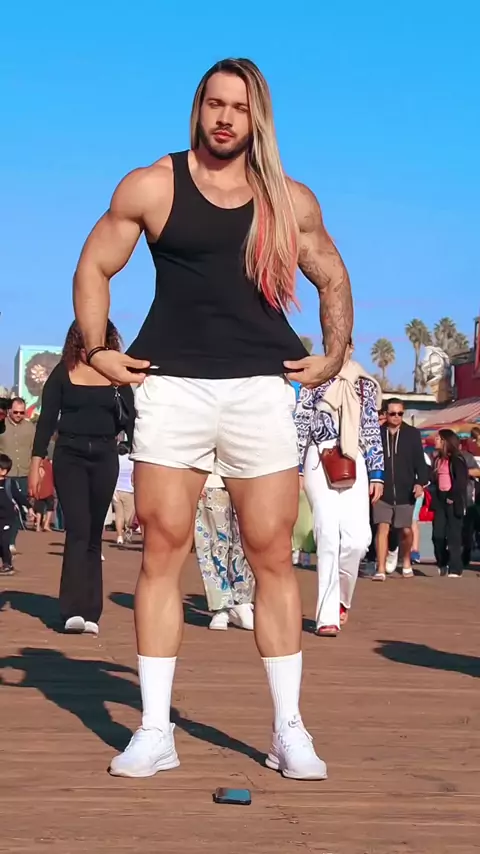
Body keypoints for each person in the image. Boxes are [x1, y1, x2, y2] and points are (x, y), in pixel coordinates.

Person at [73, 57, 353, 780]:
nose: (225, 118)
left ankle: (289, 731)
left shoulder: (287, 198)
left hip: (261, 386)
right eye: (214, 104)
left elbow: (330, 271)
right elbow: (95, 264)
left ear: (257, 117)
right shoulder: (153, 185)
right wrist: (98, 350)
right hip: (172, 386)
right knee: (162, 551)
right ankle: (154, 730)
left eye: (239, 107)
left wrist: (333, 353)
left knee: (272, 555)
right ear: (198, 108)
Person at [28, 320, 134, 635]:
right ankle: (72, 609)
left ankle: (91, 612)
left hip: (105, 456)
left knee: (93, 534)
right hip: (70, 455)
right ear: (78, 337)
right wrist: (37, 463)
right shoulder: (63, 372)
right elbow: (47, 420)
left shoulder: (116, 374)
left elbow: (132, 421)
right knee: (77, 528)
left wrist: (142, 462)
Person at [294, 340, 384, 635]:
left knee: (358, 539)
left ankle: (342, 599)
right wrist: (296, 467)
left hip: (354, 455)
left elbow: (371, 428)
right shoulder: (313, 378)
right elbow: (301, 422)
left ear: (351, 347)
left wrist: (377, 473)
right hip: (318, 455)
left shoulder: (364, 385)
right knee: (327, 533)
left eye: (342, 343)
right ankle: (327, 616)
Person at [372, 398, 430, 581]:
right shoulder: (377, 434)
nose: (396, 417)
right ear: (385, 414)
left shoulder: (412, 434)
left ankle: (406, 561)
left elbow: (420, 461)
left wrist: (420, 482)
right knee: (382, 527)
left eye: (400, 413)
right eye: (392, 413)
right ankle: (381, 569)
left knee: (406, 530)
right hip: (383, 490)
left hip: (406, 491)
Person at [195, 473, 255, 630]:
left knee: (246, 540)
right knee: (214, 544)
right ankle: (220, 606)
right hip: (212, 478)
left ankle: (242, 602)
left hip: (248, 475)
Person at [431, 430, 468, 577]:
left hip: (453, 499)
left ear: (446, 441)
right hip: (440, 499)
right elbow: (433, 479)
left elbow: (461, 481)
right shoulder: (437, 459)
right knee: (437, 535)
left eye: (439, 438)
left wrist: (452, 496)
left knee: (454, 535)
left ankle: (455, 568)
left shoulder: (457, 460)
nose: (436, 440)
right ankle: (442, 561)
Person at [0, 396, 35, 548]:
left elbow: (35, 450)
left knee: (18, 510)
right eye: (16, 412)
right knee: (5, 509)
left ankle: (11, 542)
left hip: (23, 474)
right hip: (5, 475)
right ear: (9, 411)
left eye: (22, 412)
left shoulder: (30, 427)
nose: (19, 415)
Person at [0, 453, 23, 575]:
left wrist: (29, 507)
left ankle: (7, 564)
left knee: (4, 541)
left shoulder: (10, 484)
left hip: (7, 518)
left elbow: (19, 497)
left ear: (4, 471)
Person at [113, 442, 135, 546]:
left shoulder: (115, 460)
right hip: (129, 490)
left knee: (119, 515)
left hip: (116, 490)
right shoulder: (131, 460)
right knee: (129, 516)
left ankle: (119, 536)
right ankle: (128, 534)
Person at [33, 456, 55, 532]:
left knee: (39, 509)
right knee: (50, 507)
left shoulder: (38, 464)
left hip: (39, 489)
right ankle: (46, 524)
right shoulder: (50, 464)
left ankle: (38, 526)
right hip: (49, 488)